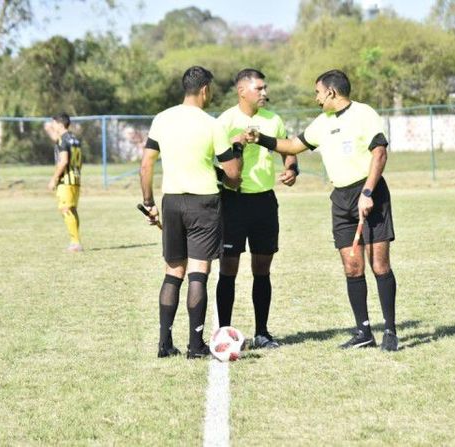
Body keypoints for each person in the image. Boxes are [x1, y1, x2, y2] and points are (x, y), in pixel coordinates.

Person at [247, 69, 398, 351]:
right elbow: (293, 145)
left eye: (318, 93)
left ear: (331, 92)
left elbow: (380, 153)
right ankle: (364, 332)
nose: (316, 98)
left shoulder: (364, 113)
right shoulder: (322, 123)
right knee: (352, 267)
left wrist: (367, 191)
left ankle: (390, 330)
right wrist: (260, 139)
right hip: (340, 198)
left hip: (370, 193)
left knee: (379, 265)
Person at [139, 66, 243, 359]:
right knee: (198, 272)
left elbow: (146, 165)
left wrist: (149, 203)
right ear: (205, 89)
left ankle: (164, 343)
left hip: (171, 201)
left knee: (173, 272)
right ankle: (195, 346)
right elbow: (233, 173)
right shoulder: (212, 125)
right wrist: (235, 158)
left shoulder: (162, 119)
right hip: (204, 203)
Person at [216, 68, 298, 349]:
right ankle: (224, 332)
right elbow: (212, 160)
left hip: (264, 201)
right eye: (259, 88)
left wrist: (291, 168)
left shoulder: (273, 119)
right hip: (233, 202)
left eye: (265, 88)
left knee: (262, 269)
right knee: (228, 267)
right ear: (242, 91)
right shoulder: (225, 121)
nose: (265, 93)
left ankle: (262, 332)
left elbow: (287, 149)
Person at [47, 112, 83, 253]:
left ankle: (75, 243)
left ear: (60, 124)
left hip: (65, 180)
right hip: (75, 179)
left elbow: (64, 161)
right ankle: (76, 241)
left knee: (65, 209)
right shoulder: (74, 139)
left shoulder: (63, 140)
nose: (52, 125)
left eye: (53, 123)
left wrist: (54, 178)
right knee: (72, 209)